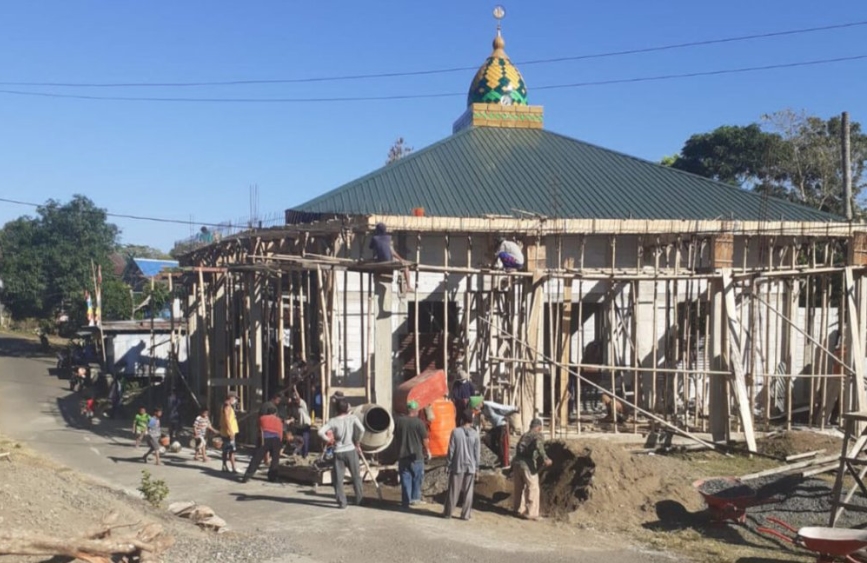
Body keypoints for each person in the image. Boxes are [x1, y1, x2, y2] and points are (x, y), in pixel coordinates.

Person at [317, 399, 365, 509]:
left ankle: (342, 502)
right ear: (347, 409)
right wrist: (357, 442)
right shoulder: (352, 418)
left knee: (338, 479)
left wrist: (329, 440)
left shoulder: (333, 421)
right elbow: (362, 429)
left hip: (338, 451)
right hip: (351, 450)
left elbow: (320, 432)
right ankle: (359, 499)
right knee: (356, 476)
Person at [443, 409, 480, 521]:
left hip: (457, 465)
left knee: (454, 490)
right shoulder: (475, 434)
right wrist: (477, 468)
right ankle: (465, 515)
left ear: (462, 419)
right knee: (468, 492)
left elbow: (451, 450)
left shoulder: (455, 432)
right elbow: (477, 453)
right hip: (471, 466)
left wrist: (448, 464)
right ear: (471, 420)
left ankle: (448, 513)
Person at [512, 418, 551, 521]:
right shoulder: (538, 435)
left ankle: (518, 510)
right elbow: (539, 445)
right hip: (527, 464)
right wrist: (545, 458)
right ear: (539, 427)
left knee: (519, 487)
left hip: (517, 462)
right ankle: (532, 513)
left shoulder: (525, 435)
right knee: (533, 488)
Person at [394, 401, 430, 509]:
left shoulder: (399, 421)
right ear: (416, 410)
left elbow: (394, 435)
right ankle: (415, 499)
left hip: (403, 455)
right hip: (416, 456)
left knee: (405, 478)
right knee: (417, 477)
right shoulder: (419, 423)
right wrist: (428, 451)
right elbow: (425, 439)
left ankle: (406, 501)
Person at [242, 405, 284, 483]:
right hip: (276, 439)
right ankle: (272, 477)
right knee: (275, 459)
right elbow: (280, 432)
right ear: (275, 413)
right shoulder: (279, 420)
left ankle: (247, 476)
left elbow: (259, 428)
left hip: (265, 439)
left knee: (256, 458)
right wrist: (280, 444)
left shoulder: (262, 418)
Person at [369, 222, 412, 291]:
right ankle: (408, 286)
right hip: (389, 260)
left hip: (379, 260)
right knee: (405, 266)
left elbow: (371, 247)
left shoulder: (374, 238)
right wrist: (401, 259)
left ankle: (409, 287)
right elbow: (392, 251)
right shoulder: (389, 238)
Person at [481, 400, 519, 468]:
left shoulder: (488, 404)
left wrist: (514, 408)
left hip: (502, 425)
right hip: (496, 427)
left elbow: (502, 407)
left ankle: (506, 464)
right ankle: (501, 456)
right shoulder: (481, 409)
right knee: (486, 438)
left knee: (503, 444)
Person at [259, 392, 282, 466]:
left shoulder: (264, 404)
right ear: (274, 399)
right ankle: (267, 461)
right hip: (270, 429)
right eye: (278, 400)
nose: (278, 402)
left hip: (262, 428)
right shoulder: (272, 407)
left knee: (263, 446)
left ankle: (266, 460)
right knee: (269, 447)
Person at [288, 390, 312, 458]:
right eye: (293, 399)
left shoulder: (302, 404)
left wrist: (295, 389)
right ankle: (298, 454)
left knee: (305, 440)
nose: (295, 401)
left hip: (305, 425)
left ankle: (305, 455)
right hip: (298, 426)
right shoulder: (293, 407)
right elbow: (293, 416)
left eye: (295, 399)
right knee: (298, 441)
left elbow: (298, 399)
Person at [220, 392, 239, 473]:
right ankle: (233, 468)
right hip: (228, 432)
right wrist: (231, 432)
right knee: (231, 451)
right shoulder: (227, 406)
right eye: (234, 398)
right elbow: (227, 419)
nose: (235, 400)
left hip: (225, 431)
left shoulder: (225, 406)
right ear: (230, 397)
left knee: (225, 450)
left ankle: (224, 466)